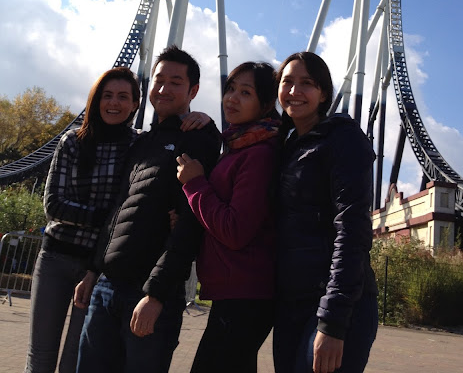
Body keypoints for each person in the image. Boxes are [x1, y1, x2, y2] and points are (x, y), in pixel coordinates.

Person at [74, 45, 222, 373]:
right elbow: (119, 209)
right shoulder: (142, 141)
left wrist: (156, 295)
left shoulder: (198, 139)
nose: (164, 89)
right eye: (159, 80)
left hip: (148, 293)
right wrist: (93, 270)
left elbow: (190, 223)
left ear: (193, 90)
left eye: (176, 82)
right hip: (107, 286)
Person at [24, 66, 141, 373]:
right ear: (96, 99)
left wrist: (201, 120)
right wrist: (105, 219)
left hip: (98, 268)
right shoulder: (72, 142)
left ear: (135, 104)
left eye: (123, 96)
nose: (113, 103)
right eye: (107, 95)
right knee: (40, 356)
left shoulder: (138, 145)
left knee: (75, 362)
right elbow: (53, 205)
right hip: (55, 258)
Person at [273, 52, 378, 373]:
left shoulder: (343, 138)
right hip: (290, 301)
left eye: (307, 83)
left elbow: (352, 230)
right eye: (287, 82)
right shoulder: (286, 145)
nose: (294, 91)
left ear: (324, 94)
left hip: (334, 302)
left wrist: (333, 319)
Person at [176, 61, 280, 373]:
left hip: (246, 294)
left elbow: (234, 229)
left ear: (265, 104)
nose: (232, 98)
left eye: (245, 92)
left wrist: (194, 184)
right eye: (230, 89)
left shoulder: (260, 154)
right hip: (233, 290)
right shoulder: (238, 144)